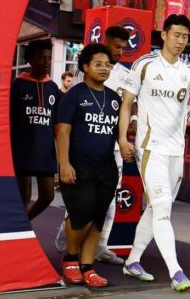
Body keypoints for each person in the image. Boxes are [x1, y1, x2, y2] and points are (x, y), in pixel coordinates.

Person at [118, 14, 190, 292]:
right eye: (176, 35)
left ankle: (133, 261)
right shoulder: (144, 65)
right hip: (150, 149)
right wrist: (123, 138)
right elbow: (126, 105)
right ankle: (176, 271)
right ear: (164, 35)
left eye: (185, 36)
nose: (181, 41)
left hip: (176, 151)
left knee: (156, 209)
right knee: (162, 209)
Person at [57, 26, 130, 265]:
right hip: (79, 165)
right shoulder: (74, 95)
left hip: (106, 168)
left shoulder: (115, 98)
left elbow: (119, 129)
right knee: (82, 213)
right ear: (85, 67)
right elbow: (63, 131)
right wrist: (64, 164)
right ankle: (70, 258)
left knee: (99, 216)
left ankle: (87, 266)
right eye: (98, 64)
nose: (104, 69)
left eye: (107, 65)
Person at [10, 39, 60, 220]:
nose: (46, 63)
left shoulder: (53, 88)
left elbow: (57, 124)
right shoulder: (18, 85)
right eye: (41, 58)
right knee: (24, 197)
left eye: (49, 58)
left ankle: (23, 225)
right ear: (30, 59)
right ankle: (18, 234)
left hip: (45, 152)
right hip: (22, 150)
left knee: (48, 196)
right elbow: (10, 120)